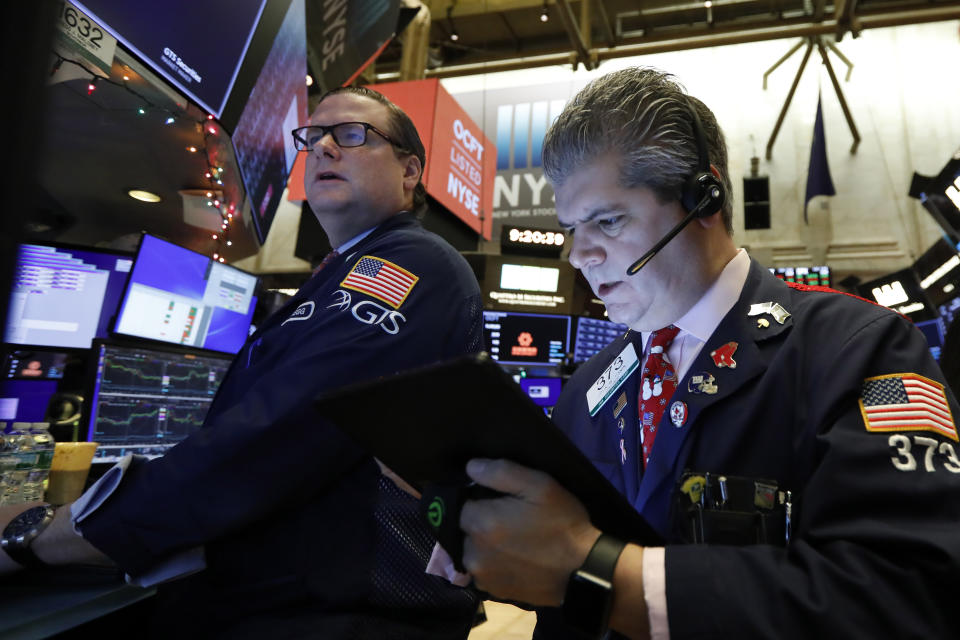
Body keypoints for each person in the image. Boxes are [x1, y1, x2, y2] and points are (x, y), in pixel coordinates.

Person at [455, 67, 960, 639]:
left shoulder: (858, 349)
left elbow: (913, 593)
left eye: (609, 221)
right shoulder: (589, 390)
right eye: (572, 228)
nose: (579, 255)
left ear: (704, 199)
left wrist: (606, 577)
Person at [0, 86, 483, 639]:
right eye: (313, 136)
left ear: (410, 170)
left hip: (339, 617)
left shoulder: (413, 265)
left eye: (353, 135)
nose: (324, 148)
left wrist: (46, 533)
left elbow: (281, 433)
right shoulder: (341, 276)